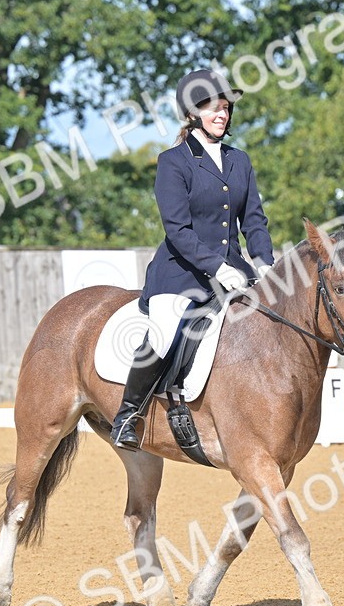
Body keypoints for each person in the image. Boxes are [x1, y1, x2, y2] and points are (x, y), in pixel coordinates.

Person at [110, 69, 275, 450]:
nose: (221, 114)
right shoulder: (173, 161)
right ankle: (128, 414)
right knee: (165, 331)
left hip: (236, 272)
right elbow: (178, 229)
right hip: (181, 274)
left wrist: (265, 263)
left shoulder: (240, 160)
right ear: (191, 113)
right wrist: (218, 267)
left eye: (225, 107)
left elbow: (254, 220)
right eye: (211, 107)